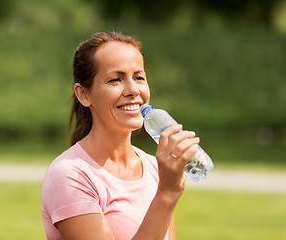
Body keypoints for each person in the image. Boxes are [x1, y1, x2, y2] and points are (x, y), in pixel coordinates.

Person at [41, 32, 200, 240]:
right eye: (116, 79)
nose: (133, 90)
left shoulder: (154, 168)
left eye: (139, 77)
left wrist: (166, 189)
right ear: (83, 94)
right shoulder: (70, 175)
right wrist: (167, 194)